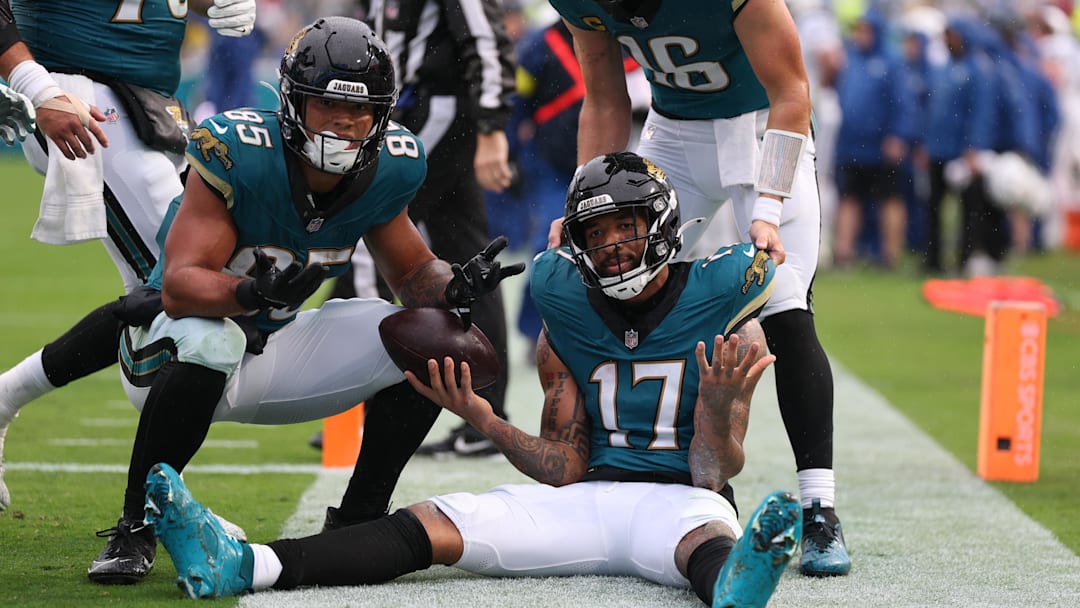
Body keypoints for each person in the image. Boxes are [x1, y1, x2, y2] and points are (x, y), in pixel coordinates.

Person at [144, 152, 801, 608]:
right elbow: (565, 467)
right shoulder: (564, 306)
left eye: (625, 228)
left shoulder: (725, 305)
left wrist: (718, 407)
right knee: (432, 522)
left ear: (659, 224)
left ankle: (734, 588)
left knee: (708, 544)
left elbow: (712, 473)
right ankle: (245, 564)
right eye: (595, 233)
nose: (611, 248)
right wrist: (481, 417)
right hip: (581, 502)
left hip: (681, 503)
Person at [83, 17, 522, 585]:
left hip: (275, 350)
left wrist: (454, 285)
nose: (345, 122)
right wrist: (248, 291)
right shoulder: (240, 149)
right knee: (214, 338)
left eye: (360, 109)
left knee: (436, 339)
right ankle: (135, 525)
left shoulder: (391, 162)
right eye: (327, 105)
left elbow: (413, 273)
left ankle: (360, 519)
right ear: (293, 102)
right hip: (171, 350)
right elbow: (180, 286)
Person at [544, 0, 850, 576]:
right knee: (625, 289)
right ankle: (647, 472)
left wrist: (767, 208)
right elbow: (606, 99)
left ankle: (819, 510)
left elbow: (791, 90)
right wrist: (583, 204)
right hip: (672, 135)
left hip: (763, 127)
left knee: (784, 309)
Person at [0, 0, 257, 512]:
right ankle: (157, 505)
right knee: (190, 288)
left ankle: (7, 397)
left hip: (149, 102)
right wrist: (34, 84)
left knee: (163, 295)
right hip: (80, 94)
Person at [831, 8, 916, 269]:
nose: (861, 35)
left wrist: (898, 135)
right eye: (858, 30)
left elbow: (904, 103)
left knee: (889, 199)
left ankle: (890, 256)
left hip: (881, 145)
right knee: (849, 197)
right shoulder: (850, 59)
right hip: (851, 145)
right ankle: (843, 255)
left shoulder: (892, 62)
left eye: (866, 30)